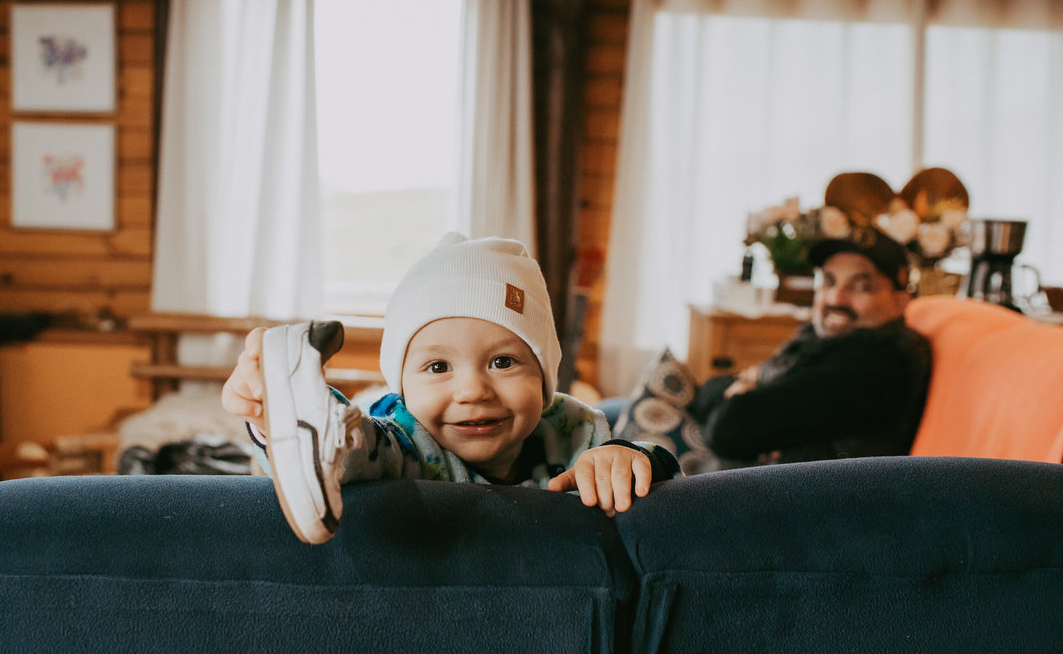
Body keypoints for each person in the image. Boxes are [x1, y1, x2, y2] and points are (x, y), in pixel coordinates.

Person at [222, 233, 680, 543]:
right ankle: (304, 412)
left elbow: (666, 477)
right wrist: (270, 414)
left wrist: (626, 458)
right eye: (439, 366)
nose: (473, 390)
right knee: (348, 441)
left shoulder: (575, 432)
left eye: (503, 362)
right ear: (404, 387)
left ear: (544, 378)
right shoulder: (407, 442)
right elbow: (365, 452)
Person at [688, 228, 932, 468]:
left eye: (860, 287)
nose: (835, 299)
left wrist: (747, 388)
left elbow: (728, 430)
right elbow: (708, 392)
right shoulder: (821, 336)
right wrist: (741, 393)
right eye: (828, 281)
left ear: (900, 301)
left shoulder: (877, 362)